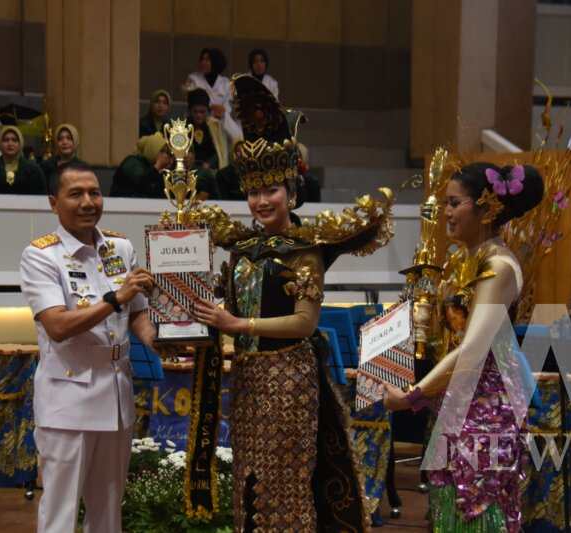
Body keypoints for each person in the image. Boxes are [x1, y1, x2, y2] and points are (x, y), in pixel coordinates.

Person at [191, 74, 393, 531]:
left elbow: (304, 323)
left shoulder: (306, 250)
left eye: (271, 191)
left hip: (289, 381)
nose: (261, 201)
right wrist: (179, 297)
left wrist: (237, 326)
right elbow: (226, 303)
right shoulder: (243, 249)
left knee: (287, 489)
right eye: (253, 192)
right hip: (246, 381)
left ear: (291, 191)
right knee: (249, 487)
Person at [383, 162, 544, 532]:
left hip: (487, 409)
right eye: (445, 204)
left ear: (485, 207)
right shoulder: (465, 261)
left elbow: (473, 351)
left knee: (476, 508)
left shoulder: (498, 265)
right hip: (457, 403)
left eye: (454, 203)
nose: (447, 213)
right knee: (448, 508)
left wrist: (412, 396)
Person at [20, 161, 157, 533]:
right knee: (62, 513)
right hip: (68, 401)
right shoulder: (40, 255)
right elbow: (58, 326)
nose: (88, 202)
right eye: (75, 194)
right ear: (54, 202)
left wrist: (168, 340)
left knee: (109, 511)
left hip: (116, 397)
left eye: (94, 193)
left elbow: (138, 314)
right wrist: (115, 298)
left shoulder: (120, 247)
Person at [182, 47, 241, 145]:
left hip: (220, 120)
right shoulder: (193, 79)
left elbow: (227, 107)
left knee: (237, 135)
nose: (203, 62)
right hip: (199, 120)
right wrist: (210, 109)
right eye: (202, 59)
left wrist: (221, 111)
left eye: (207, 60)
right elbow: (191, 103)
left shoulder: (225, 83)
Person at [0, 125, 46, 195]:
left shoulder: (34, 170)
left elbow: (40, 199)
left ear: (20, 143)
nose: (10, 144)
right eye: (6, 140)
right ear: (0, 144)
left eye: (14, 140)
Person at [110, 132, 173, 198]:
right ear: (152, 150)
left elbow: (161, 194)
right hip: (120, 203)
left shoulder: (153, 167)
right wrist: (158, 166)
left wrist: (168, 168)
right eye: (162, 151)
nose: (165, 156)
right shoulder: (132, 162)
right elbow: (142, 182)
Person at [40, 123, 85, 190]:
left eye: (69, 138)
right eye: (60, 139)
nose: (64, 142)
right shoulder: (45, 166)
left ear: (75, 141)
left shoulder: (83, 168)